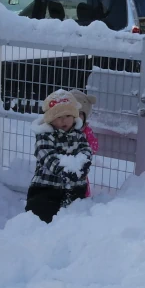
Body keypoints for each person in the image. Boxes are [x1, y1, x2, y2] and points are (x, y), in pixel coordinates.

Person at [25, 90, 93, 223]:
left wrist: (83, 164)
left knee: (73, 218)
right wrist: (64, 170)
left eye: (68, 115)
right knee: (41, 215)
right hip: (47, 188)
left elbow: (86, 150)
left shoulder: (78, 135)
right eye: (59, 116)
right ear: (50, 119)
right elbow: (47, 156)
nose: (64, 120)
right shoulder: (45, 136)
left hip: (75, 187)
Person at [69, 89, 99, 198]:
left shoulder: (86, 130)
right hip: (65, 165)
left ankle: (83, 200)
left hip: (80, 166)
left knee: (81, 184)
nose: (77, 117)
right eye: (73, 114)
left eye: (80, 114)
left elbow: (94, 146)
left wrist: (86, 151)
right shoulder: (64, 129)